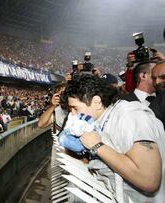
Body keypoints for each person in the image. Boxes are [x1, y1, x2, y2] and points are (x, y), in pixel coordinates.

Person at [62, 74, 165, 202]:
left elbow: (149, 180)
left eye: (75, 108)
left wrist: (97, 146)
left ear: (96, 102)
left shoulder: (128, 116)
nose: (72, 114)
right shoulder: (103, 119)